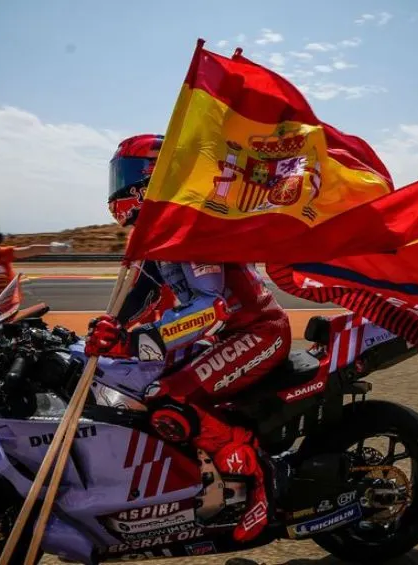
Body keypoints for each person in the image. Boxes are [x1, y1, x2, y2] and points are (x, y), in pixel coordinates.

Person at [85, 134, 293, 543]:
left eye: (124, 175)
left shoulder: (189, 227)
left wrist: (143, 340)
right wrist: (109, 329)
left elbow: (208, 304)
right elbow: (141, 295)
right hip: (229, 335)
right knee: (136, 382)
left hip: (257, 332)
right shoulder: (162, 232)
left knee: (167, 397)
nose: (117, 188)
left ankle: (262, 476)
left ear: (150, 178)